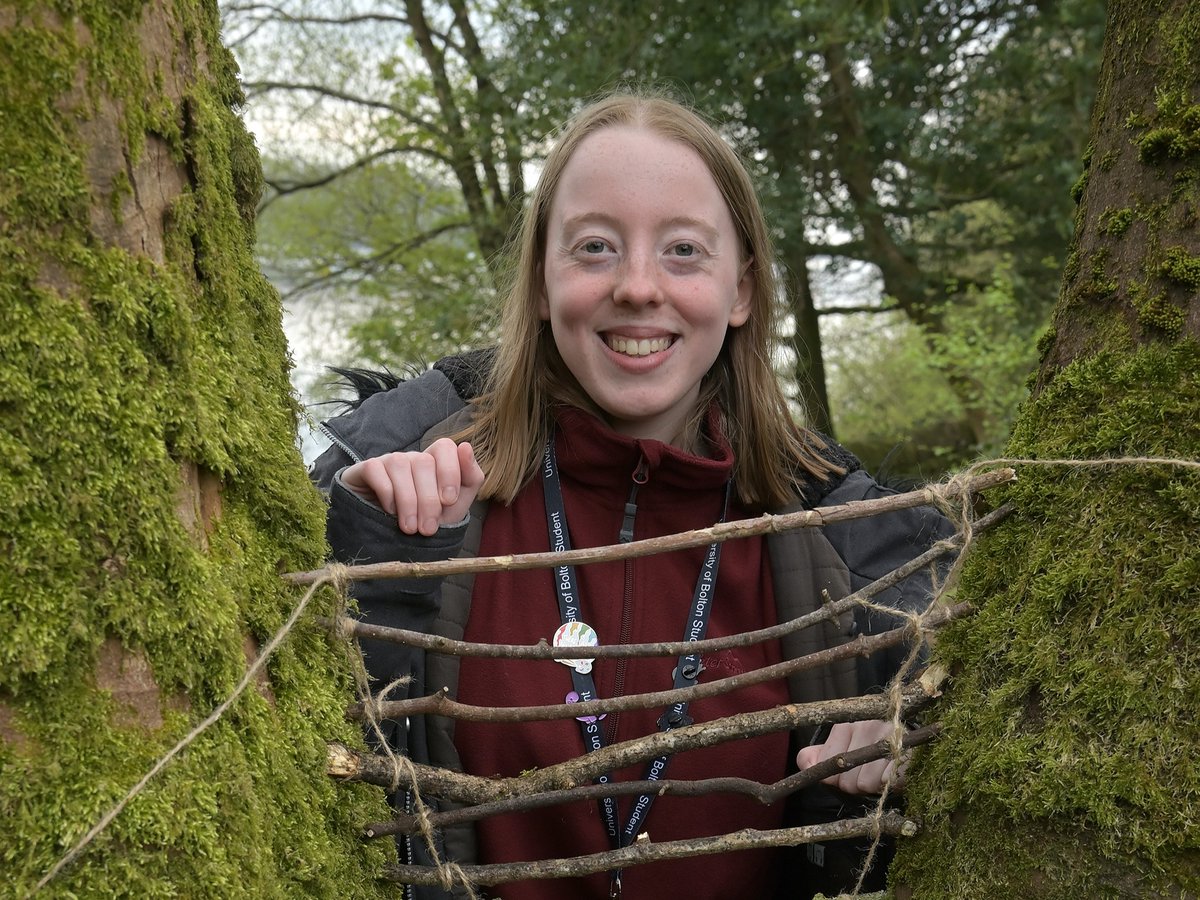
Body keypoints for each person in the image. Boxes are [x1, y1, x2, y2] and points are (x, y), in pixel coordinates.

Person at [310, 92, 952, 900]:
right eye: (595, 248)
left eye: (683, 250)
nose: (639, 287)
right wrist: (380, 566)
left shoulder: (861, 549)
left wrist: (910, 744)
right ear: (542, 281)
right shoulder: (409, 484)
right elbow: (315, 778)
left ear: (743, 289)